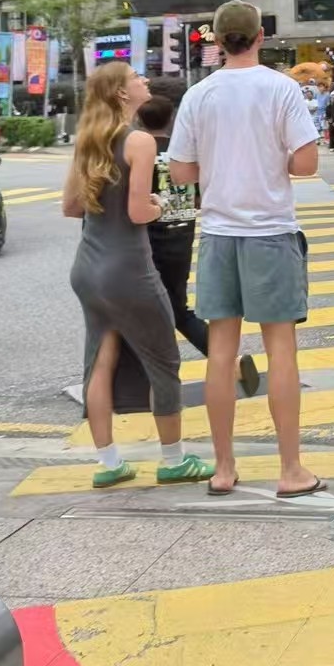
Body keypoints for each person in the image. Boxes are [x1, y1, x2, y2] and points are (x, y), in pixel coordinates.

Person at [168, 1, 325, 499]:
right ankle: (290, 470)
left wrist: (219, 165)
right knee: (281, 351)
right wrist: (271, 161)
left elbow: (180, 171)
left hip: (218, 234)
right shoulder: (281, 88)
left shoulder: (199, 94)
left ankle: (223, 468)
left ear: (216, 42)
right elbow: (306, 164)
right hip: (271, 232)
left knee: (220, 353)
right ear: (260, 36)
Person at [64, 63, 215, 490]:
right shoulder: (139, 141)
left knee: (99, 361)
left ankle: (109, 463)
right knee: (164, 362)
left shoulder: (88, 140)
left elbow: (71, 207)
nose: (144, 80)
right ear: (121, 93)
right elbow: (138, 213)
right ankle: (174, 460)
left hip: (88, 267)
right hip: (129, 268)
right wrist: (159, 205)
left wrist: (107, 199)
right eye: (135, 77)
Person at [135, 97, 260, 399]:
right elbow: (202, 194)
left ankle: (152, 380)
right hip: (182, 235)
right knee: (175, 307)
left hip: (148, 239)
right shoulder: (183, 153)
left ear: (139, 121)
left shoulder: (139, 151)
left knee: (154, 310)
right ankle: (225, 361)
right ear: (172, 120)